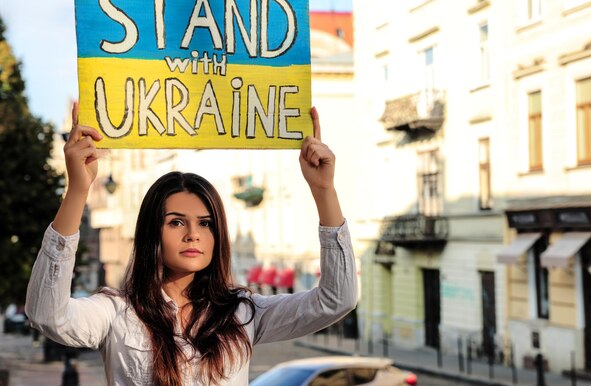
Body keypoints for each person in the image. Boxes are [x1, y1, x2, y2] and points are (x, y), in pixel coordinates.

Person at [25, 105, 357, 386]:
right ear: (152, 233)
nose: (193, 234)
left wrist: (323, 190)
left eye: (205, 223)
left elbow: (336, 299)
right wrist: (78, 192)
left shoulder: (243, 312)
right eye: (176, 222)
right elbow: (47, 315)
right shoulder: (117, 313)